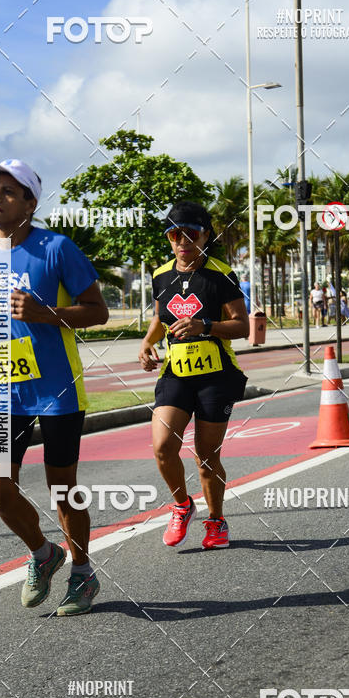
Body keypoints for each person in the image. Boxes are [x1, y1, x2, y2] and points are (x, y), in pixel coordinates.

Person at [0, 159, 109, 615]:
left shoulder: (57, 248)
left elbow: (98, 311)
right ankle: (44, 553)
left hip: (56, 389)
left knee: (61, 489)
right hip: (2, 387)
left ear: (29, 203)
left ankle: (82, 573)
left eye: (7, 191)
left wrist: (46, 313)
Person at [138, 201, 249, 549]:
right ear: (169, 239)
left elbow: (242, 326)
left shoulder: (221, 274)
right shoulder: (161, 275)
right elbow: (161, 317)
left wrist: (206, 326)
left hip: (216, 376)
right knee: (162, 447)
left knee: (206, 457)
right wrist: (147, 343)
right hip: (176, 373)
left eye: (191, 234)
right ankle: (182, 505)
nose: (183, 241)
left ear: (205, 236)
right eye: (175, 234)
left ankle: (216, 522)